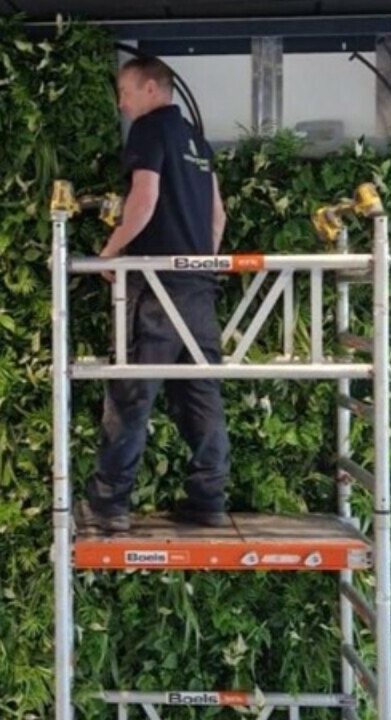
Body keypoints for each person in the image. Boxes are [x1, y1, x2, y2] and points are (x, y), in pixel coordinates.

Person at [86, 57, 232, 533]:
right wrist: (198, 265)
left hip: (155, 288)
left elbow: (143, 201)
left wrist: (111, 253)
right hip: (197, 289)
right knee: (201, 395)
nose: (121, 104)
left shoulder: (149, 132)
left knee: (132, 393)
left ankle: (110, 505)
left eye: (125, 92)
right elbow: (217, 219)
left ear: (151, 88)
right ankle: (208, 500)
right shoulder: (197, 141)